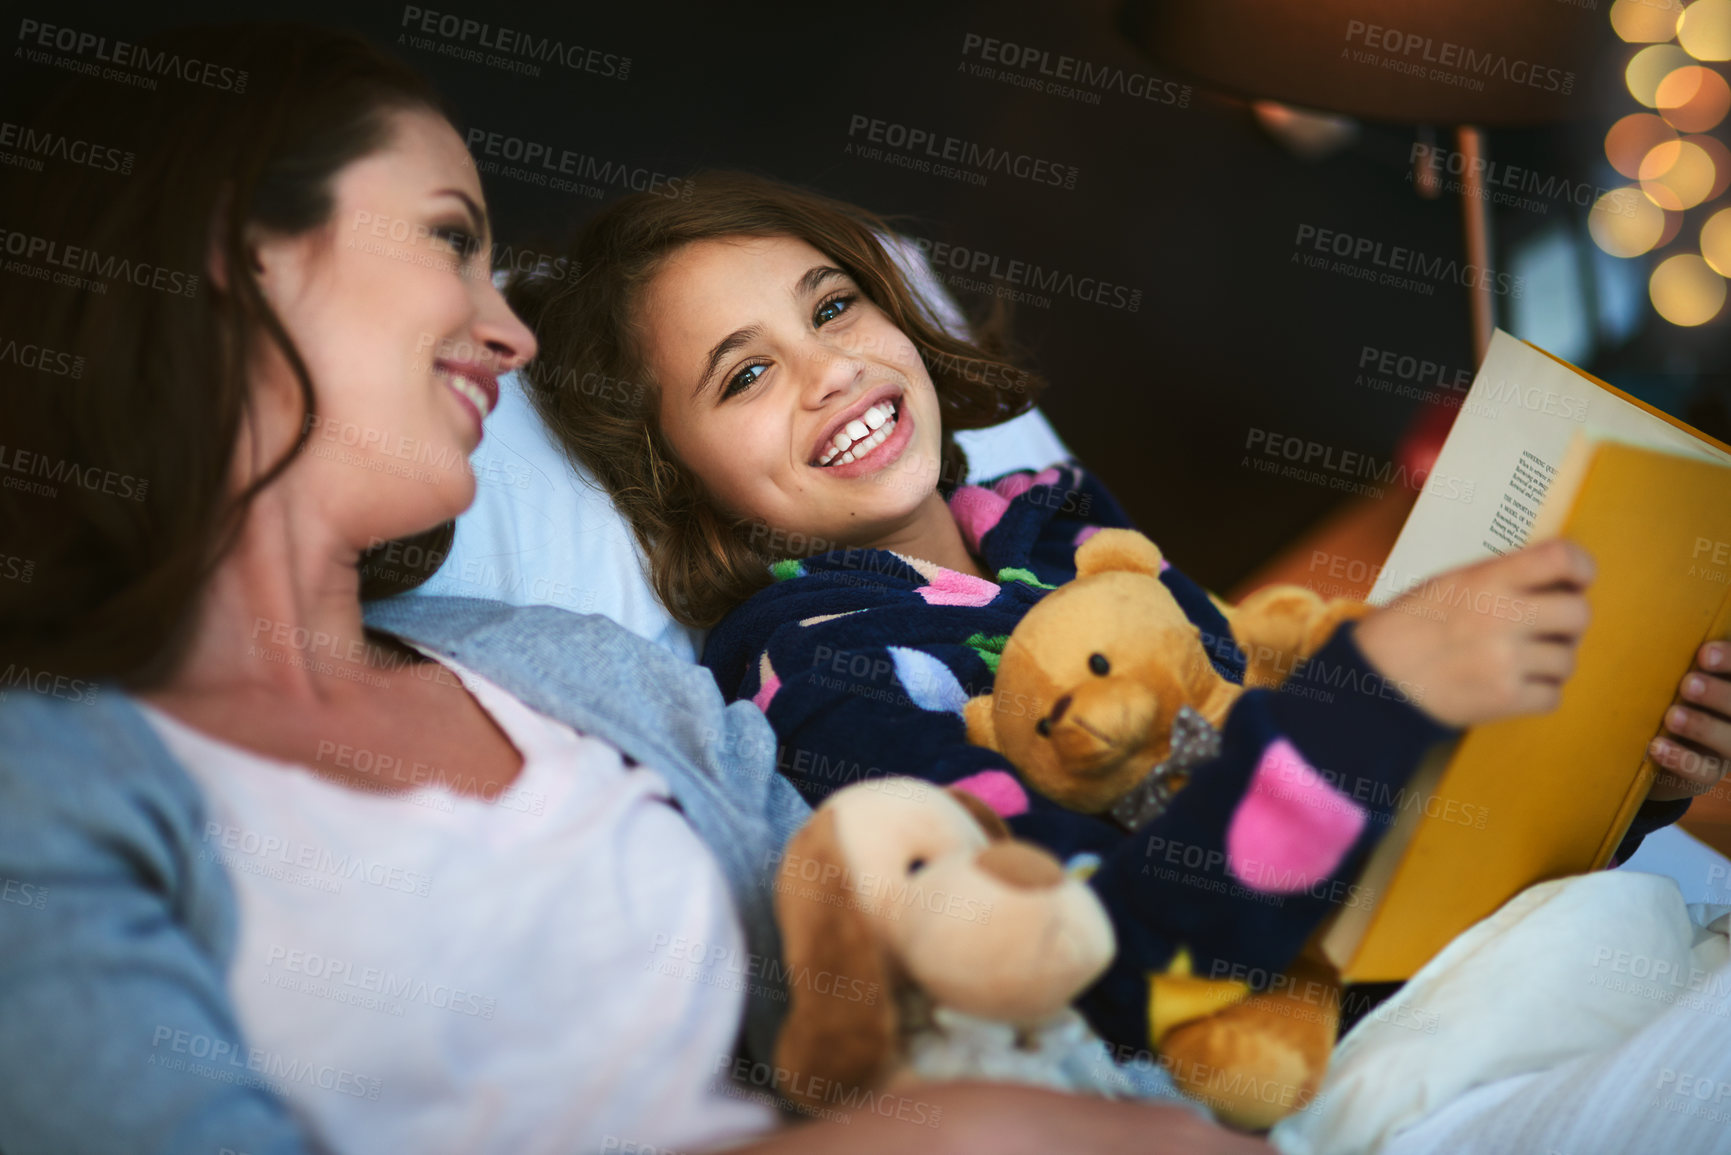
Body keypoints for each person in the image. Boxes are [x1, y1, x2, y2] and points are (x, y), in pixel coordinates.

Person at [0, 25, 1274, 1155]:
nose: (508, 331)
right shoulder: (43, 788)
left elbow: (936, 1006)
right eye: (451, 237)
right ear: (237, 257)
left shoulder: (573, 672)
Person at [512, 172, 1731, 1125]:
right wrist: (1375, 695)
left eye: (833, 307)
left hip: (1437, 962)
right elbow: (1103, 964)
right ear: (678, 478)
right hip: (1312, 1079)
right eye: (747, 376)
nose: (831, 371)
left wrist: (1626, 775)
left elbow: (1297, 797)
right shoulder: (822, 677)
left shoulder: (1055, 518)